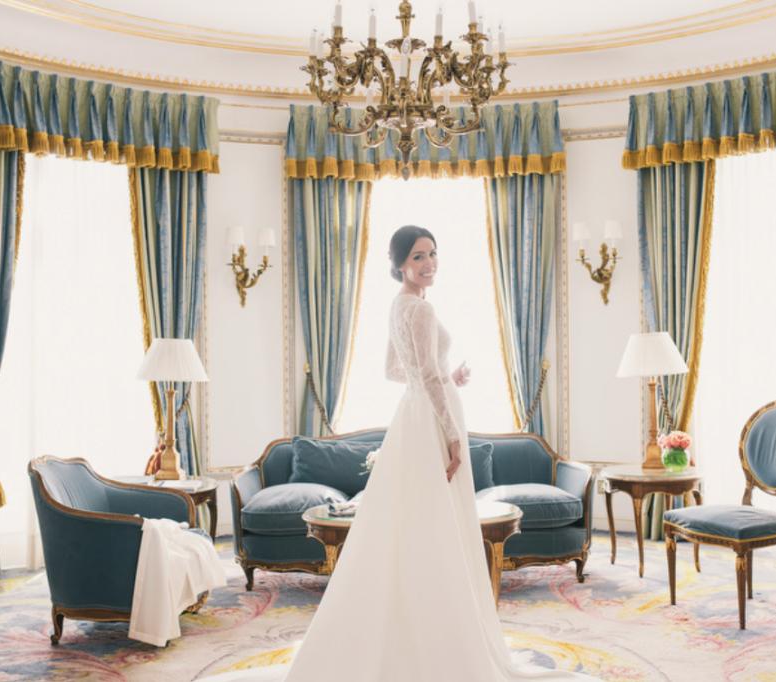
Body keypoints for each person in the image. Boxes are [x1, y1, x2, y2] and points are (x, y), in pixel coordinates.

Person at [206, 226, 598, 681]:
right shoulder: (421, 311)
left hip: (411, 418)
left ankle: (403, 631)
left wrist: (445, 375)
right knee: (439, 527)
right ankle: (437, 640)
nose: (429, 263)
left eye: (433, 253)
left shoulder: (400, 306)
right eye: (418, 257)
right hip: (431, 422)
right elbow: (423, 376)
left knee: (412, 526)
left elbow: (398, 370)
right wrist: (453, 435)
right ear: (399, 265)